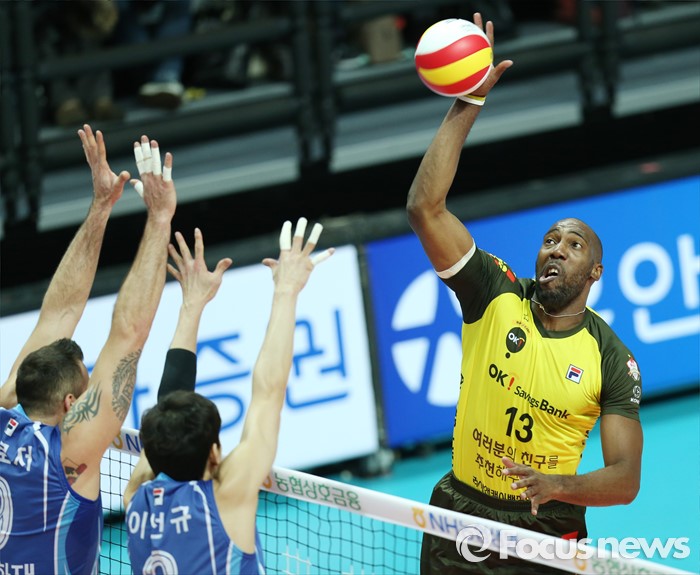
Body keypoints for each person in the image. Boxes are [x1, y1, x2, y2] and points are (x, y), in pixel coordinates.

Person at [406, 14, 643, 575]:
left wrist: (556, 485)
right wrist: (469, 102)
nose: (557, 249)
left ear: (595, 272)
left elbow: (625, 480)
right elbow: (424, 209)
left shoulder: (611, 359)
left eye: (574, 245)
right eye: (550, 240)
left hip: (546, 528)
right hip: (460, 516)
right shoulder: (494, 293)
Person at [0, 126, 177, 573]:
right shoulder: (71, 452)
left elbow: (58, 315)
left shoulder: (4, 412)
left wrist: (101, 205)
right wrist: (159, 219)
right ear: (69, 404)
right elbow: (129, 334)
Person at [123, 218, 333, 574]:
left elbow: (168, 406)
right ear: (215, 454)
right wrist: (286, 290)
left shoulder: (137, 499)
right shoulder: (227, 498)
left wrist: (192, 305)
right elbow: (268, 392)